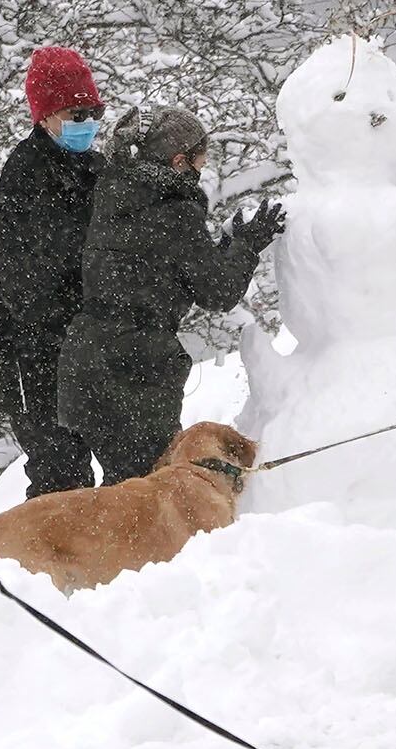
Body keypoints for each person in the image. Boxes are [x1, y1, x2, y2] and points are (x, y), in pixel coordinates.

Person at [57, 106, 284, 485]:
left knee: (116, 495)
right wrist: (247, 244)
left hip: (85, 363)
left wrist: (222, 248)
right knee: (147, 495)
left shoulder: (113, 193)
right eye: (200, 159)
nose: (202, 168)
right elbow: (217, 290)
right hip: (134, 371)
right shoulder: (171, 211)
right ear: (179, 161)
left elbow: (161, 261)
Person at [0, 46, 108, 497]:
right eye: (77, 112)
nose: (88, 122)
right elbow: (52, 263)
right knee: (61, 476)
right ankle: (42, 565)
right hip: (33, 351)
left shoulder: (94, 166)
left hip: (81, 346)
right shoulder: (26, 172)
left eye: (94, 110)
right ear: (45, 116)